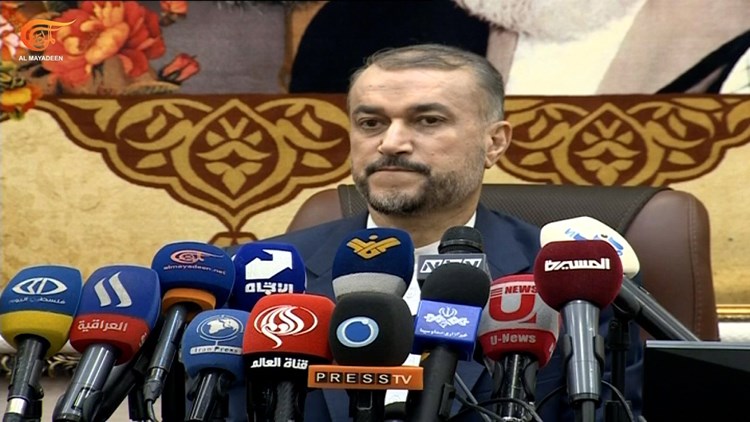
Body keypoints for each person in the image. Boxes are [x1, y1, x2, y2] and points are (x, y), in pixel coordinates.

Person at [230, 43, 643, 421]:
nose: (391, 143)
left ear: (495, 143)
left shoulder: (574, 281)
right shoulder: (257, 277)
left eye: (428, 120)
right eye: (371, 122)